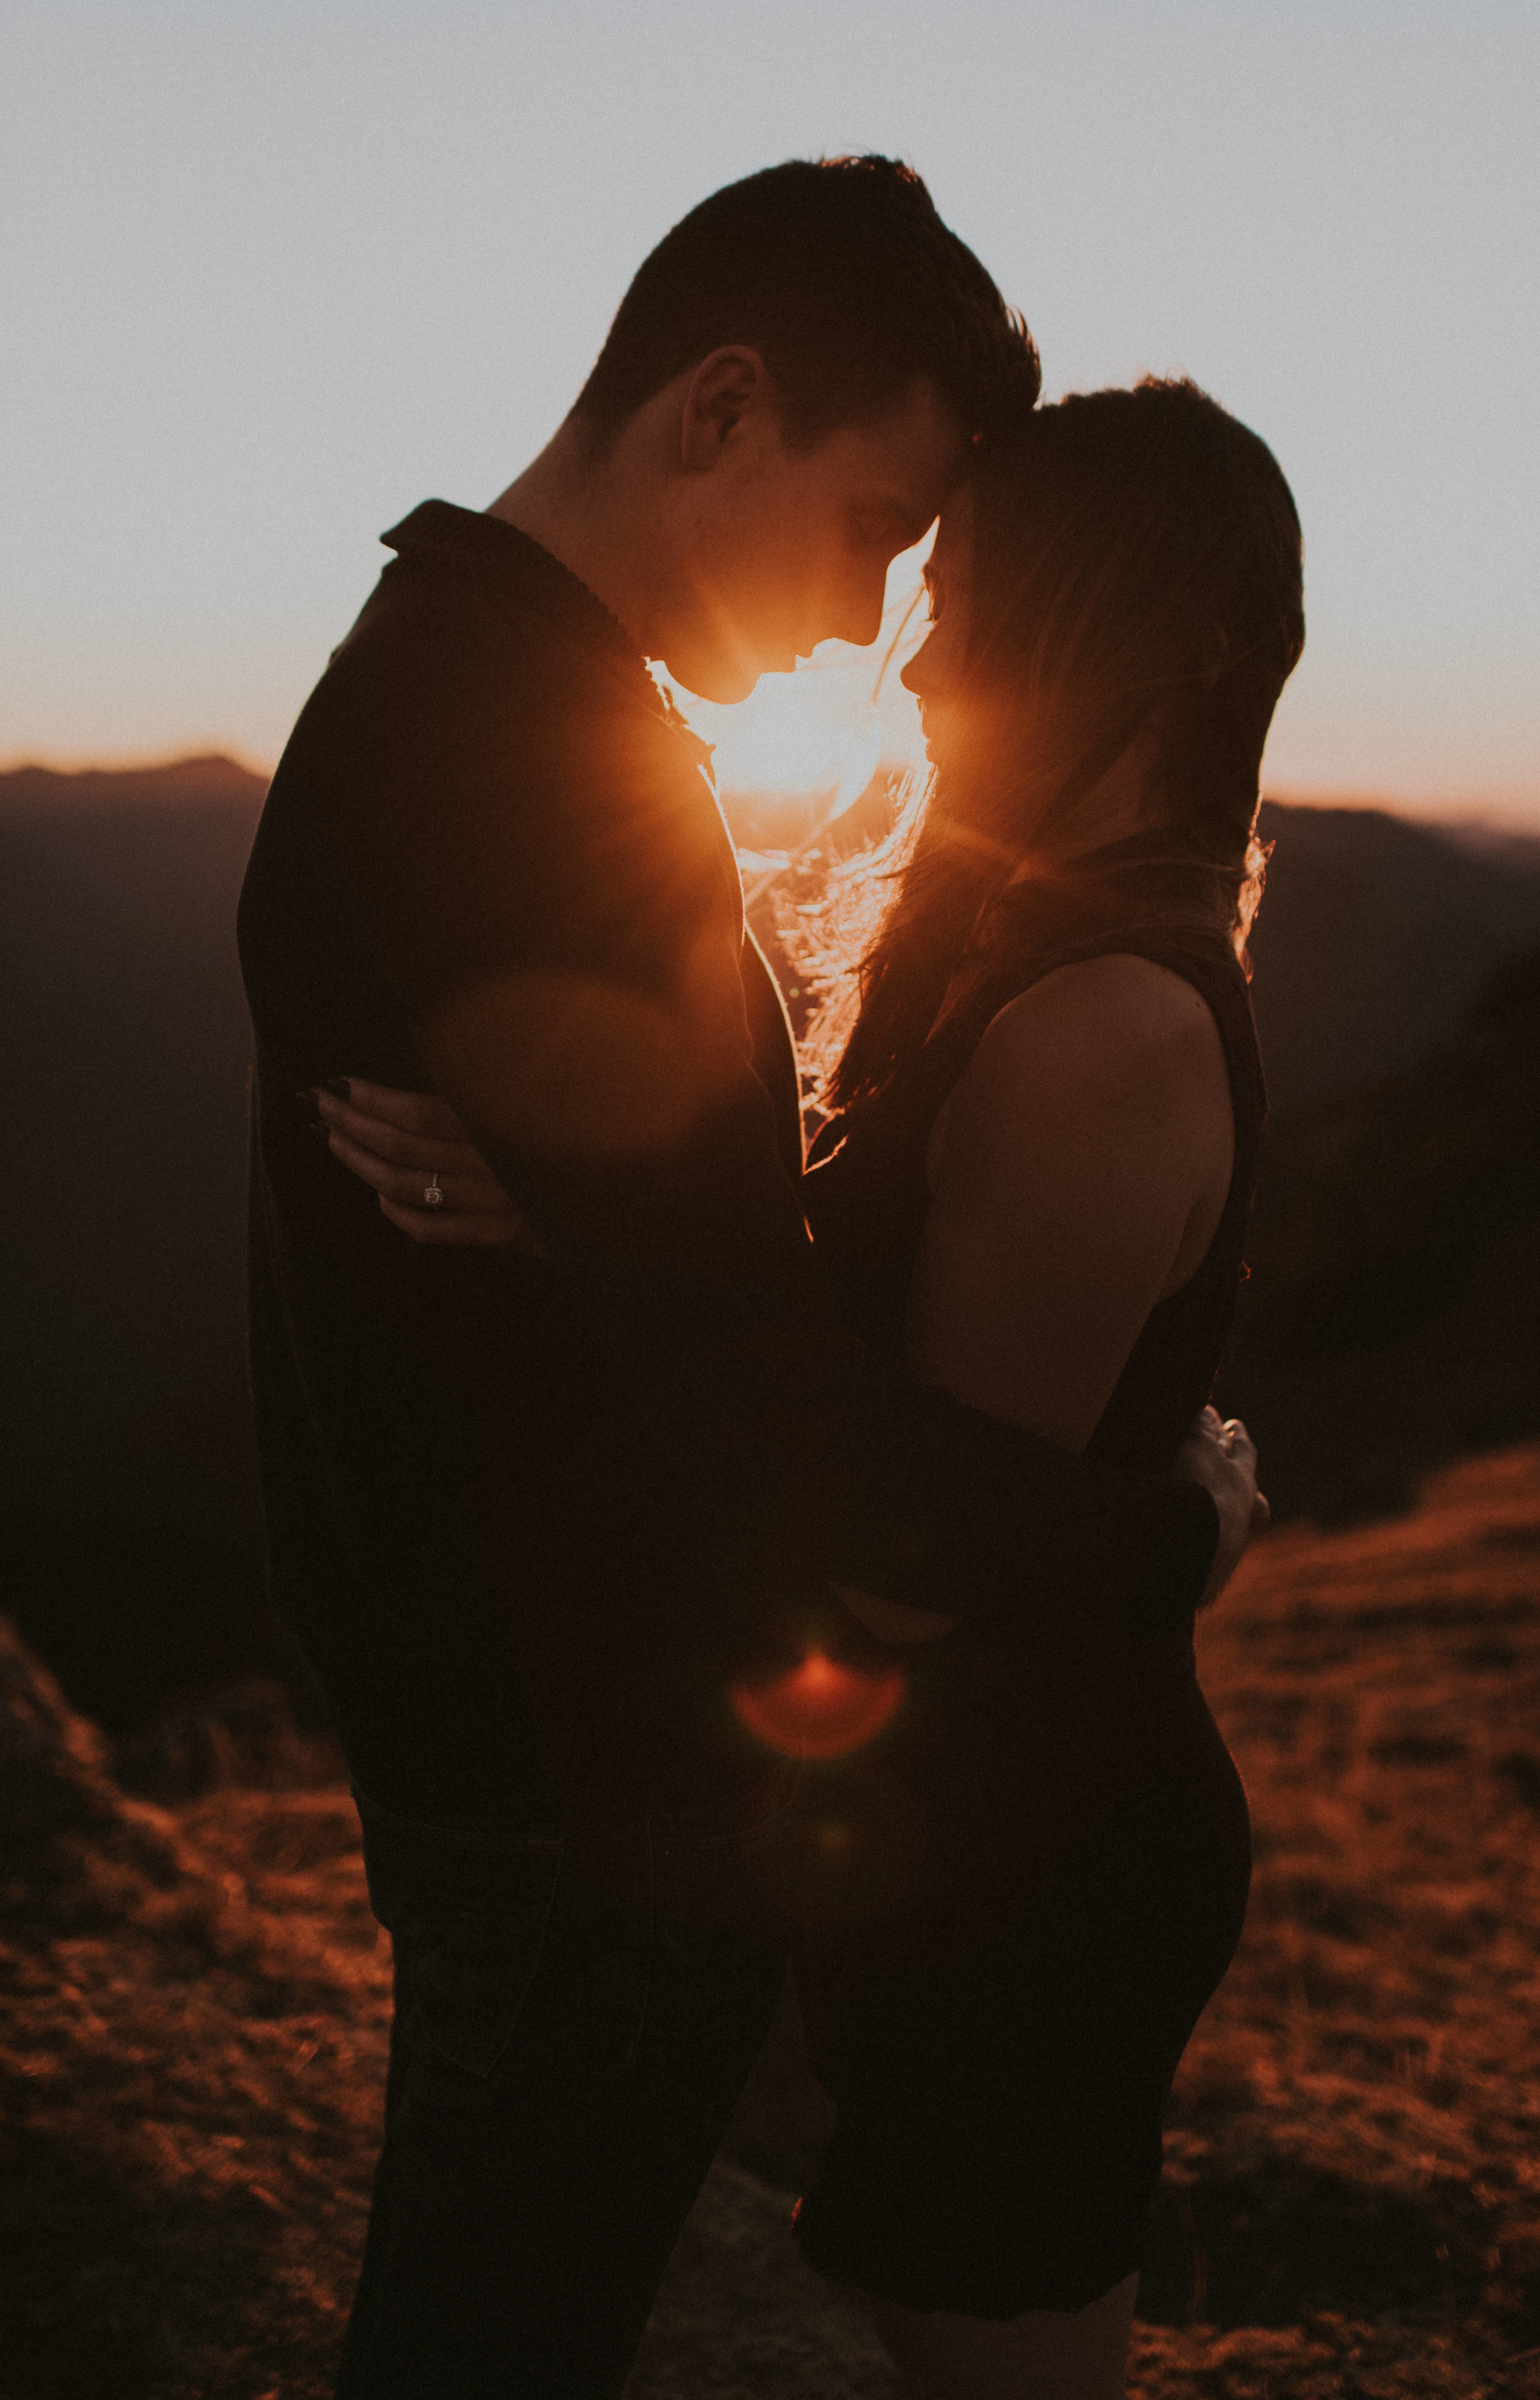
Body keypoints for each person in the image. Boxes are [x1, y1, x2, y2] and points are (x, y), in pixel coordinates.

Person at [240, 154, 1262, 2398]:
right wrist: (1166, 1518)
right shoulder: (532, 757)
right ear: (715, 412)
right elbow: (809, 1467)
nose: (862, 623)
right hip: (565, 1760)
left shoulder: (472, 679)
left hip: (518, 1727)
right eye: (869, 528)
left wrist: (602, 1221)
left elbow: (695, 1282)